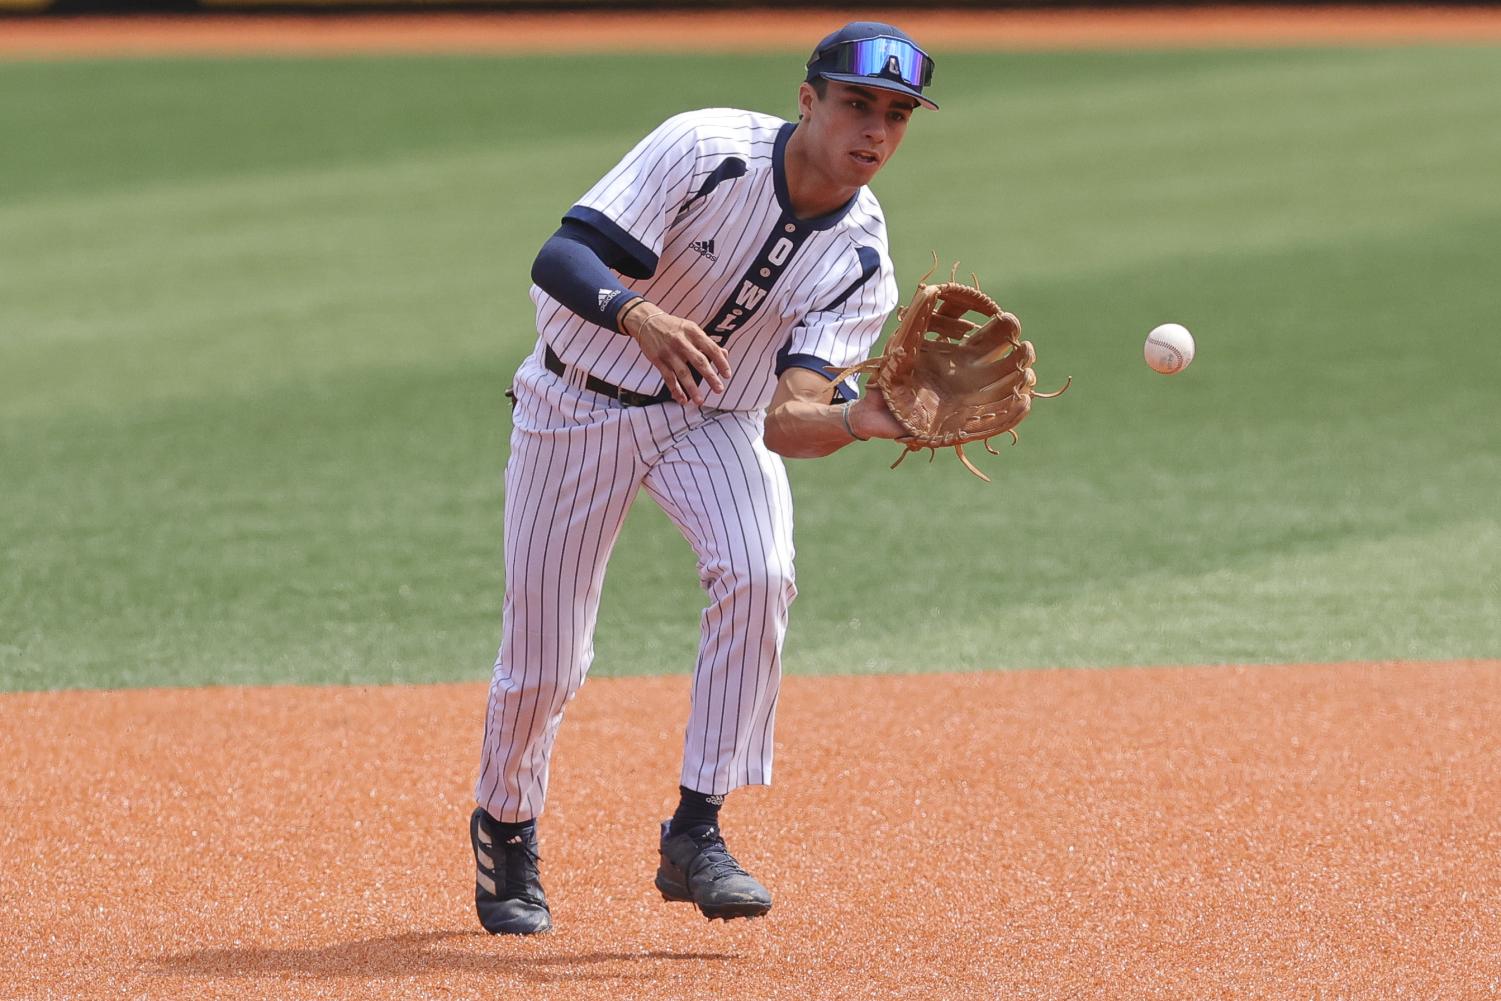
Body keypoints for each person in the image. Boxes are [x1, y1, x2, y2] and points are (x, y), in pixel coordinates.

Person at [470, 21, 938, 934]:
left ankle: (696, 831)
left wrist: (854, 420)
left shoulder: (861, 258)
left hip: (713, 418)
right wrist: (633, 311)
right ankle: (507, 824)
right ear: (807, 101)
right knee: (546, 659)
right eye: (854, 104)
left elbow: (786, 418)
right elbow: (559, 255)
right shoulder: (704, 148)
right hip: (577, 404)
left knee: (760, 572)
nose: (872, 131)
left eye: (894, 115)